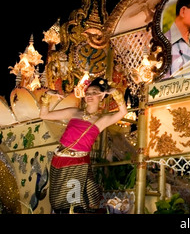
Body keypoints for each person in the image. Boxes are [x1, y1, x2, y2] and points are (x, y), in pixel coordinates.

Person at [39, 77, 128, 213]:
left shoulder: (101, 120)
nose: (90, 95)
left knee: (74, 201)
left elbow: (123, 112)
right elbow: (44, 115)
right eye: (88, 92)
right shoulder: (74, 112)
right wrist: (47, 95)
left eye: (95, 92)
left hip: (78, 162)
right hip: (59, 159)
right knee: (58, 201)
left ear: (102, 96)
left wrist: (115, 92)